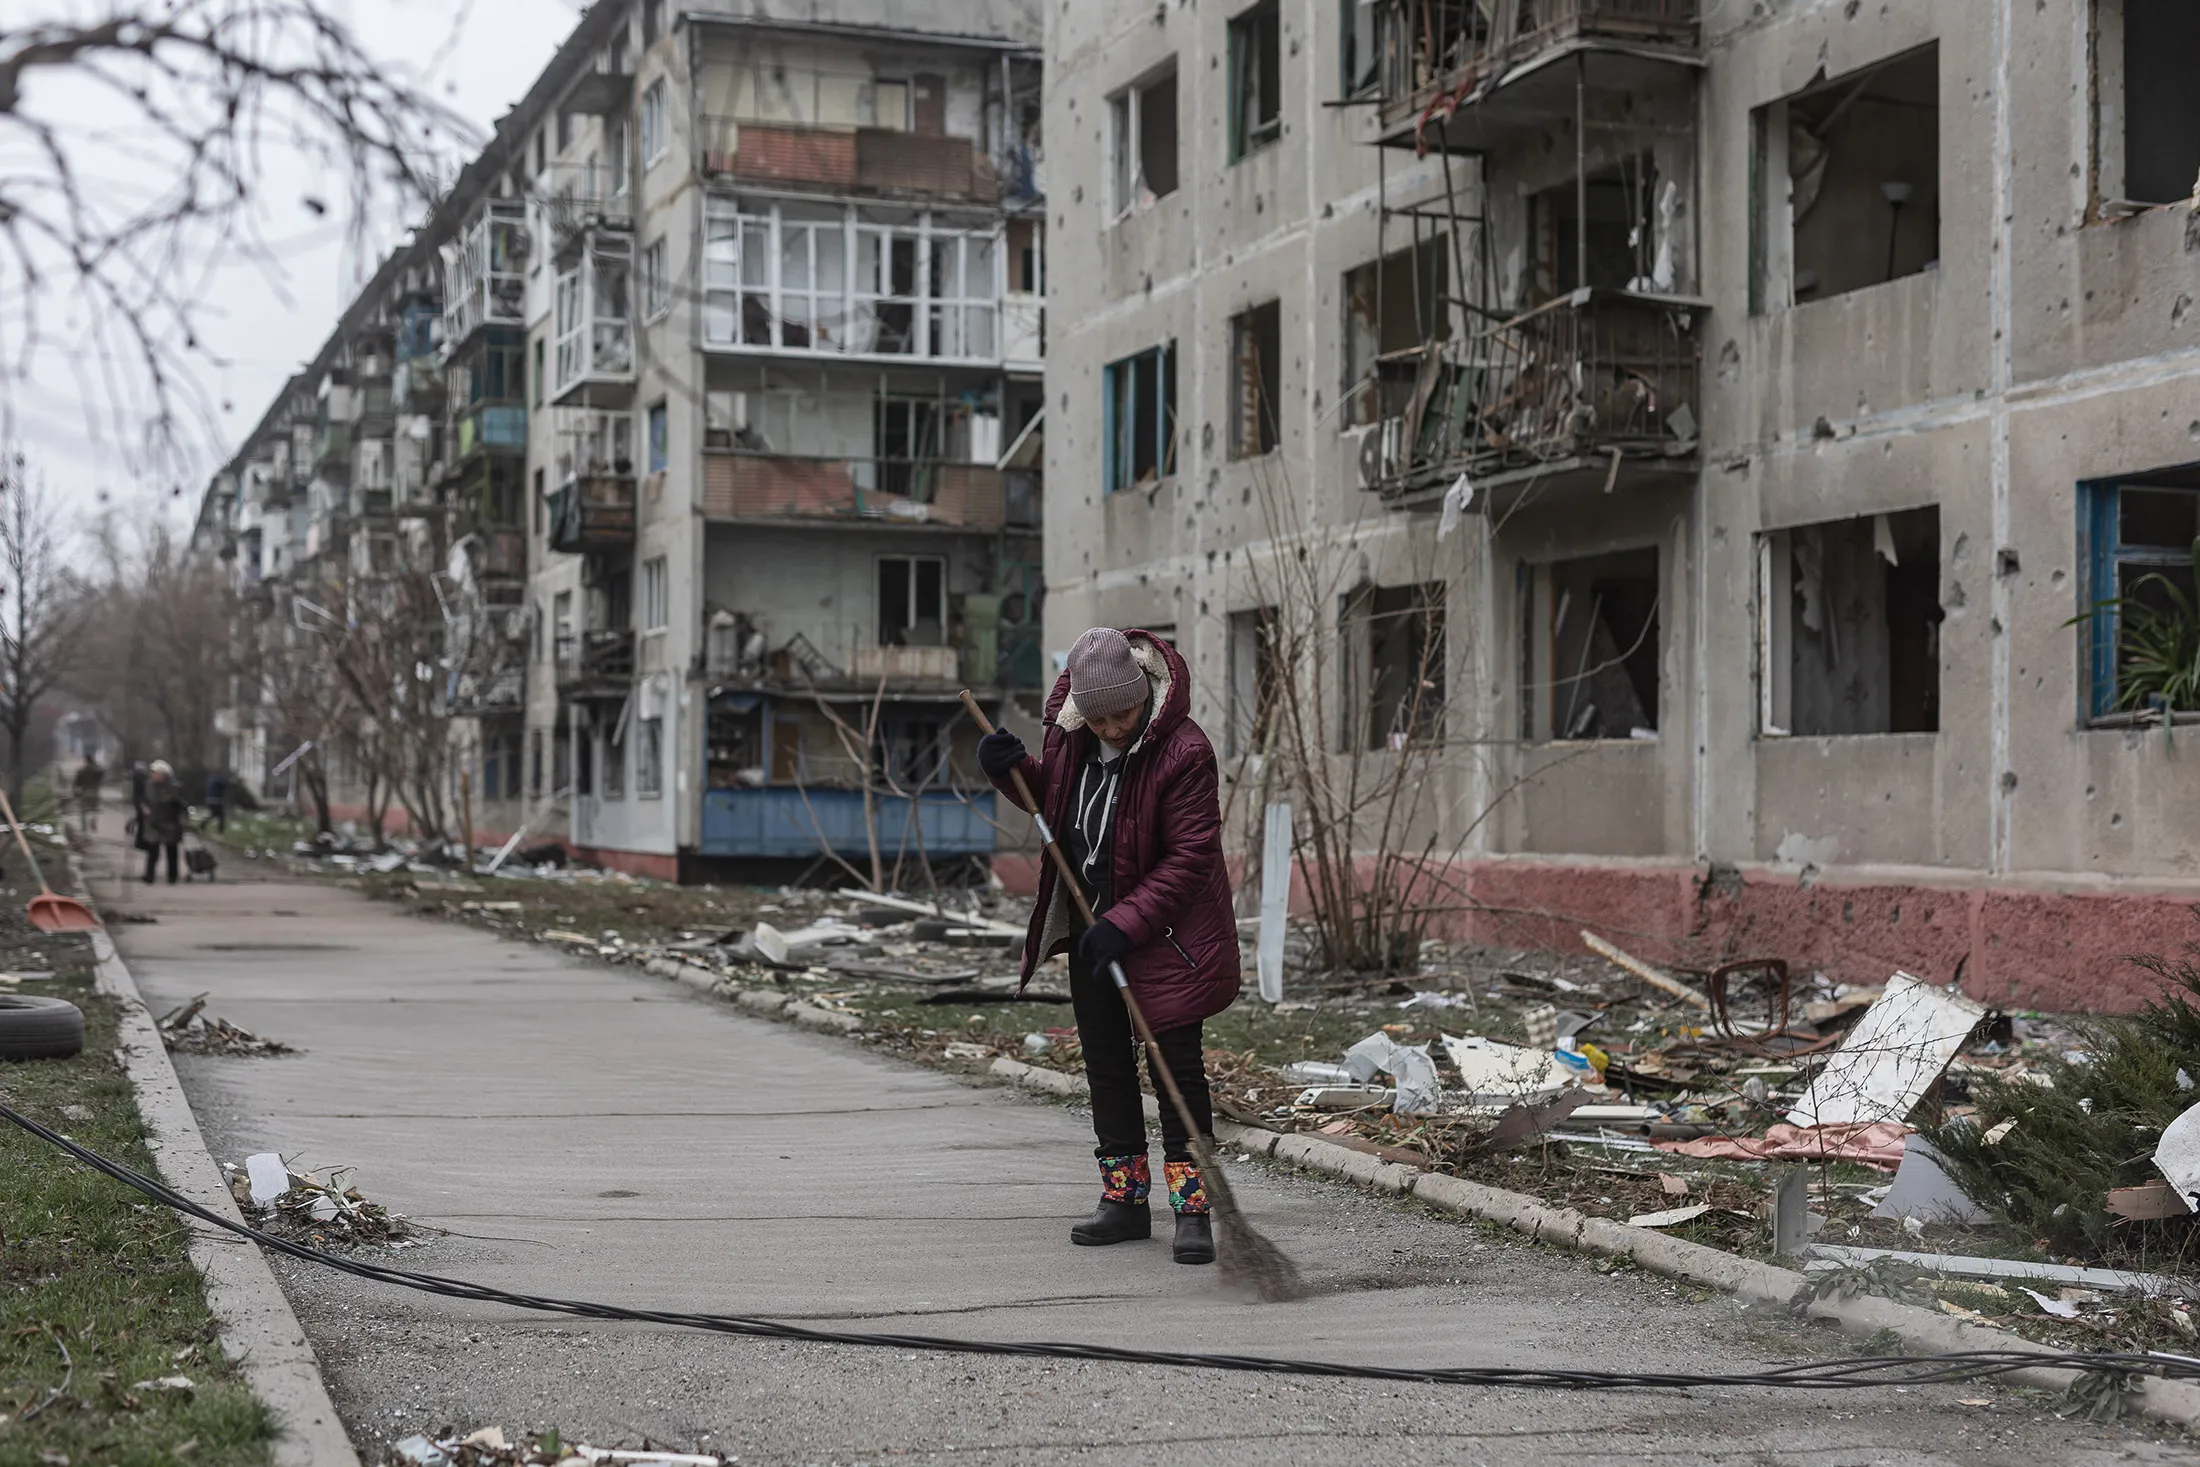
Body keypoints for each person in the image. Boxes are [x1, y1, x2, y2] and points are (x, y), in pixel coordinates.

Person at [978, 627, 1239, 1265]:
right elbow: (1055, 807)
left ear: (1142, 696)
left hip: (1167, 937)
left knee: (1176, 1071)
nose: (1112, 728)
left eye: (1122, 713)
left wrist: (1128, 921)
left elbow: (1190, 858)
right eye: (1098, 719)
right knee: (1106, 1065)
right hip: (1094, 926)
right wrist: (1012, 774)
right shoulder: (1073, 737)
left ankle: (1193, 1210)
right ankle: (1123, 1202)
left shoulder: (1184, 752)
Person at [140, 760, 187, 885]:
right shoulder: (149, 785)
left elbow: (181, 805)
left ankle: (172, 875)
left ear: (164, 774)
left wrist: (182, 819)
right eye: (153, 773)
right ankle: (149, 875)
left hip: (169, 821)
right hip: (154, 821)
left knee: (171, 850)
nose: (154, 775)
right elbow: (145, 799)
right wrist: (144, 807)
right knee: (153, 851)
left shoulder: (174, 787)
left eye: (157, 773)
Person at [71, 754, 103, 834]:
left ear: (85, 760)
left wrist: (75, 793)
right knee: (93, 809)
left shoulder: (81, 771)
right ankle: (93, 823)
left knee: (83, 811)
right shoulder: (97, 771)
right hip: (94, 792)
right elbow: (102, 773)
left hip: (84, 792)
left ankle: (84, 827)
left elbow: (76, 783)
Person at [204, 768, 229, 833]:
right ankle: (220, 831)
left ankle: (202, 825)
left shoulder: (210, 778)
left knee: (214, 814)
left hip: (209, 799)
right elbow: (224, 784)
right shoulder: (217, 778)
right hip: (216, 800)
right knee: (221, 816)